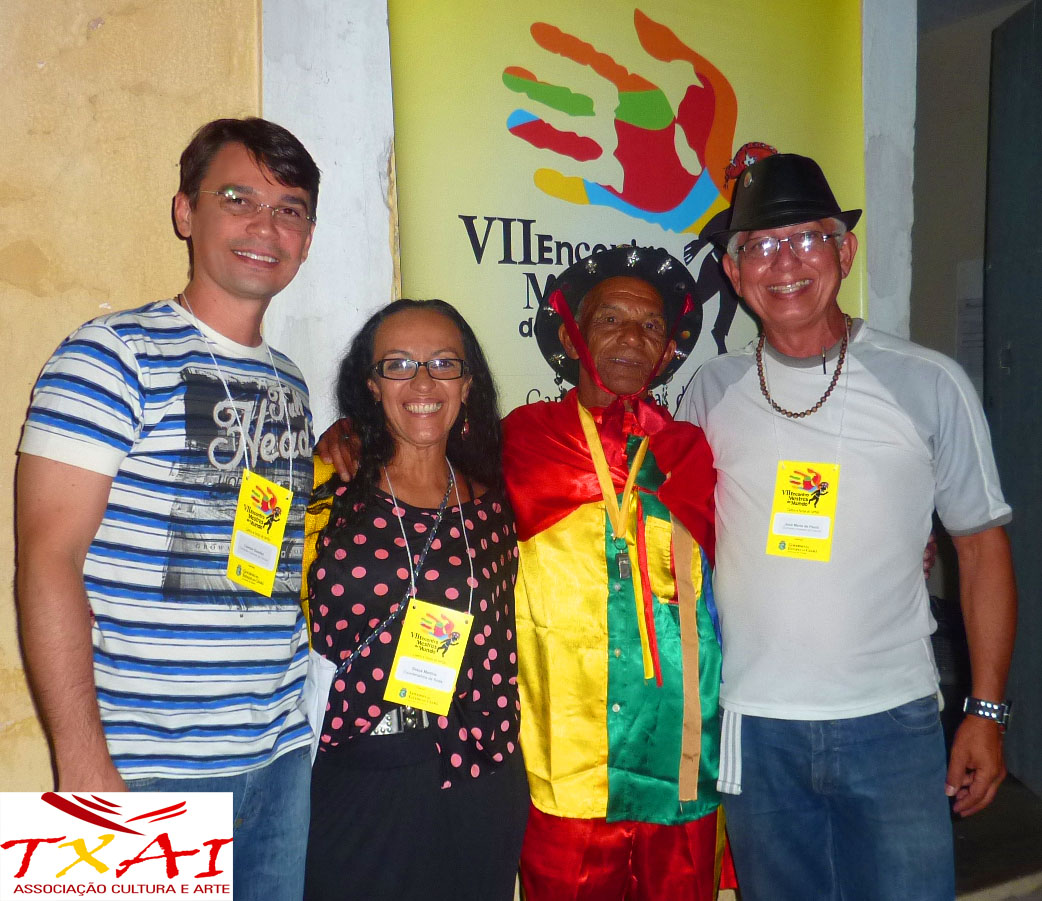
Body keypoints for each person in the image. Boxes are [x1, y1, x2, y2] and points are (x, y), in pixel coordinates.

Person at [317, 246, 730, 900]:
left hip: (675, 760)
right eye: (610, 319)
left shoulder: (692, 451)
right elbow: (419, 436)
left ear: (669, 347)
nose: (631, 338)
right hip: (561, 765)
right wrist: (348, 434)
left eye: (651, 325)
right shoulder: (520, 441)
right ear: (571, 335)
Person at [678, 152, 1017, 899]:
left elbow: (980, 547)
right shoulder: (710, 390)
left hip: (892, 723)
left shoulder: (927, 382)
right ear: (734, 272)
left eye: (807, 237)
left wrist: (986, 710)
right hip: (754, 726)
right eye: (760, 246)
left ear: (845, 251)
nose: (785, 262)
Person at [15, 117, 320, 901]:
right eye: (238, 199)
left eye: (289, 209)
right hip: (141, 766)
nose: (265, 227)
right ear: (186, 212)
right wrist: (83, 764)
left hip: (280, 762)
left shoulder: (291, 382)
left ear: (307, 237)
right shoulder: (109, 354)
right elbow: (46, 561)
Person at [303, 299, 528, 901]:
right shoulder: (323, 491)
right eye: (399, 364)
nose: (423, 382)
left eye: (443, 363)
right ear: (371, 384)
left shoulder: (495, 502)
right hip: (362, 769)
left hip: (482, 773)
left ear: (467, 384)